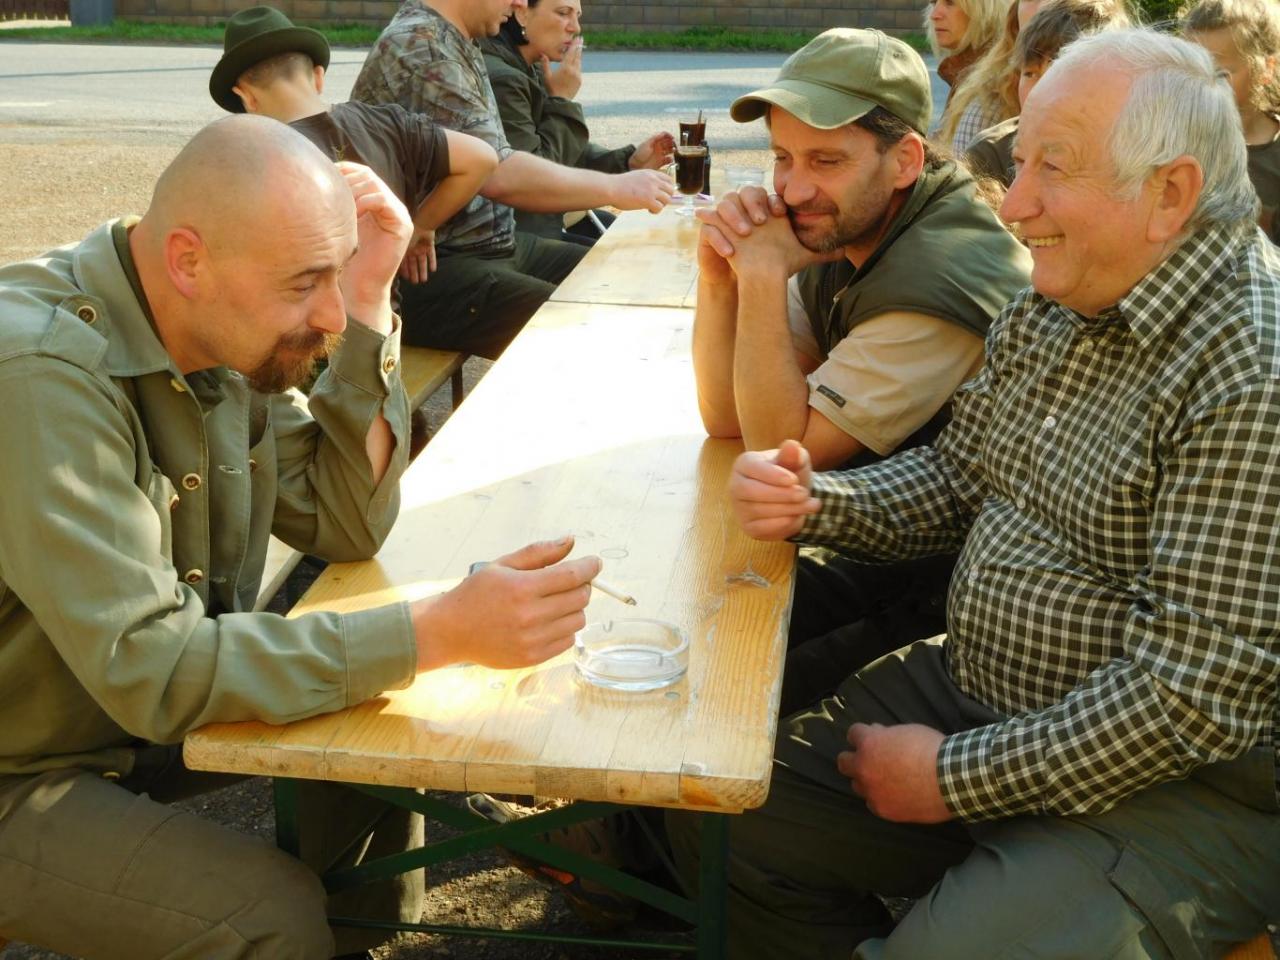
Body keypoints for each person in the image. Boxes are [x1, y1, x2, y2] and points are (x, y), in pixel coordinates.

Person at [669, 27, 1280, 959]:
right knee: (725, 822)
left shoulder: (1251, 367)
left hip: (1183, 789)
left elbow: (1193, 697)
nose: (1017, 203)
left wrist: (955, 777)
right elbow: (963, 477)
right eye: (1019, 161)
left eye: (1052, 169)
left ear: (1171, 194)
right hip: (985, 691)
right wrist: (818, 504)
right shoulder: (1063, 297)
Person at [0, 115, 602, 960]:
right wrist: (437, 631)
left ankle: (357, 940)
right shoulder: (41, 375)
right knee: (266, 918)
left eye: (337, 273)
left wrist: (371, 296)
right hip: (23, 763)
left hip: (121, 718)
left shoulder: (208, 319)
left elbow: (344, 522)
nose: (328, 314)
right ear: (188, 261)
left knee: (372, 722)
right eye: (305, 283)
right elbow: (154, 669)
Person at [693, 28, 1030, 711]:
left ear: (905, 159)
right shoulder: (848, 227)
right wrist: (721, 278)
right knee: (700, 604)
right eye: (782, 157)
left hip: (958, 584)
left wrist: (761, 274)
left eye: (826, 160)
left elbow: (777, 449)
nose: (793, 189)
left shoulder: (937, 281)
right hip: (877, 525)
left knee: (731, 671)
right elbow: (728, 416)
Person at [351, 0, 674, 359]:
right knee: (585, 326)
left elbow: (499, 157)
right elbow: (500, 173)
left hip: (488, 246)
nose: (519, 3)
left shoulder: (454, 37)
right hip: (433, 267)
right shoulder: (423, 48)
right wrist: (616, 187)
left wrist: (622, 167)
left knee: (627, 275)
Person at [212, 5, 498, 293]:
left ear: (246, 98)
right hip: (384, 314)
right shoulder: (388, 123)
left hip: (308, 318)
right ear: (318, 76)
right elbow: (482, 158)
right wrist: (421, 226)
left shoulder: (257, 161)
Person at [480, 0, 675, 245]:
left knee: (638, 241)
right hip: (509, 236)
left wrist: (626, 162)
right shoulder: (503, 79)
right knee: (624, 258)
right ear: (521, 13)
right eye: (563, 13)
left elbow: (564, 150)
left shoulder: (529, 66)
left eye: (578, 16)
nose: (575, 27)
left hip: (536, 227)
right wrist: (562, 100)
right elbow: (539, 176)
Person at [966, 0, 1130, 188]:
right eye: (1030, 74)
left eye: (1056, 74)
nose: (1038, 91)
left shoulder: (1133, 154)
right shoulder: (990, 155)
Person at [1184, 0, 1280, 242]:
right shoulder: (1179, 136)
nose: (1202, 82)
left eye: (1221, 73)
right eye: (1191, 69)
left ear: (1266, 69)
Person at [926, 0, 1012, 151]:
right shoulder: (967, 73)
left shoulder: (990, 87)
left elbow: (959, 160)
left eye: (950, 3)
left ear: (984, 10)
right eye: (934, 3)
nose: (934, 15)